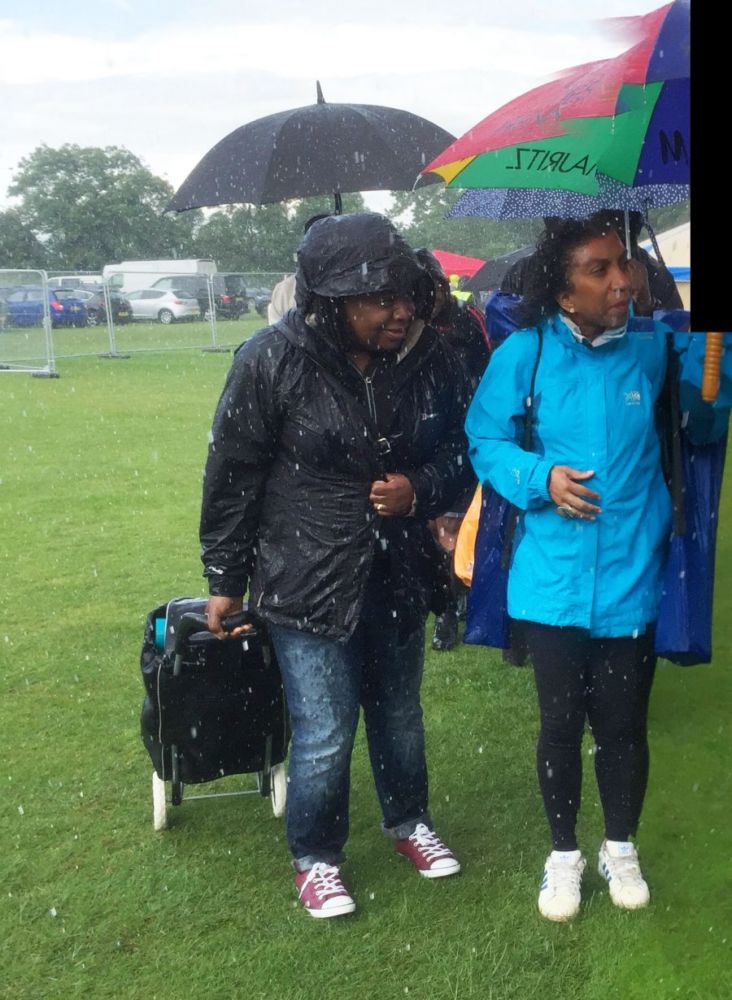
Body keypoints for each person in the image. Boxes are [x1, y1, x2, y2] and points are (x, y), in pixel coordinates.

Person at [200, 213, 473, 919]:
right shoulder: (270, 359)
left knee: (399, 715)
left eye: (405, 294)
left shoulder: (429, 359)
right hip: (306, 577)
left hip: (399, 570)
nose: (400, 311)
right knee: (323, 731)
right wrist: (225, 580)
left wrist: (421, 488)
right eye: (379, 299)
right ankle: (316, 857)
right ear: (333, 301)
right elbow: (233, 473)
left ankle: (409, 821)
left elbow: (464, 449)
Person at [466, 217, 729, 923]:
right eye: (599, 269)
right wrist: (540, 478)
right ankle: (563, 855)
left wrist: (714, 371)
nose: (621, 281)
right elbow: (484, 438)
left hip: (630, 578)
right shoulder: (525, 353)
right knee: (559, 725)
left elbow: (702, 430)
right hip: (549, 583)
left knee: (623, 725)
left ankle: (620, 846)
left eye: (624, 264)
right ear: (563, 292)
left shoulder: (657, 348)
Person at [415, 249, 492, 651]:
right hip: (424, 436)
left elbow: (488, 371)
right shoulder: (409, 326)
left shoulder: (468, 321)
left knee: (458, 524)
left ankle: (458, 598)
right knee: (432, 526)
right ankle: (443, 604)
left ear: (443, 287)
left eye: (431, 290)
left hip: (464, 433)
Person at [500, 211, 683, 314]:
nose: (621, 282)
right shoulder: (524, 273)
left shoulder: (653, 274)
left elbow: (675, 350)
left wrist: (645, 305)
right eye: (599, 270)